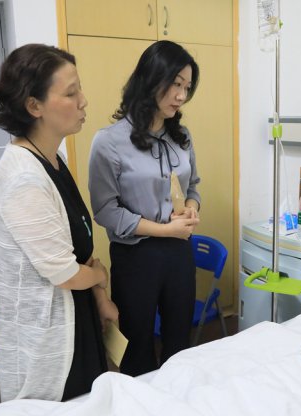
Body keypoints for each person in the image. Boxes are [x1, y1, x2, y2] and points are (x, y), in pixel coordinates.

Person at [0, 44, 119, 402]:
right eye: (71, 93)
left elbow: (77, 245)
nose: (84, 101)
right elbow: (66, 273)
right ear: (34, 106)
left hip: (77, 315)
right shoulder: (24, 179)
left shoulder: (52, 159)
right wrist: (100, 276)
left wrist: (99, 296)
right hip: (50, 335)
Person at [88, 40, 201, 377]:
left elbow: (193, 185)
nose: (181, 95)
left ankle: (176, 400)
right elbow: (105, 210)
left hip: (179, 250)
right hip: (136, 255)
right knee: (136, 345)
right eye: (176, 84)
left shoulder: (181, 137)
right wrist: (164, 229)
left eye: (187, 87)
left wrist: (191, 208)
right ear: (150, 79)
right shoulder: (109, 141)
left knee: (179, 341)